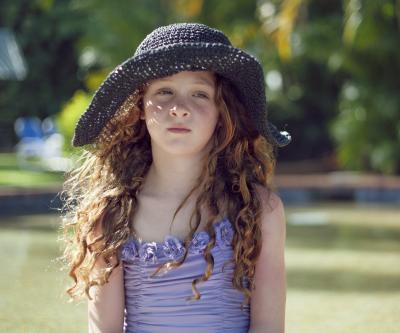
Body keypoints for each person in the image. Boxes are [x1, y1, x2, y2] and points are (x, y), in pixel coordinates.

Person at [58, 22, 292, 333]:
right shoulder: (110, 215)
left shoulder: (259, 211)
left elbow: (268, 327)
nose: (179, 108)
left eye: (199, 93)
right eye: (164, 91)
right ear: (140, 106)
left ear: (223, 111)